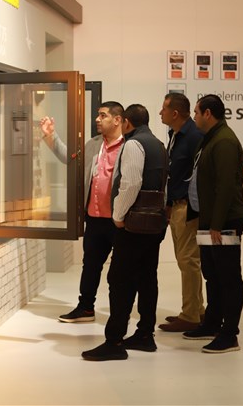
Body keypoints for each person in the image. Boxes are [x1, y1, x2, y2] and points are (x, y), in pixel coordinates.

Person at [82, 104, 168, 361]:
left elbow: (130, 184)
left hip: (133, 226)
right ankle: (145, 334)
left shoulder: (133, 144)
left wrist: (118, 216)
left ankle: (114, 341)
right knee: (147, 279)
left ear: (127, 122)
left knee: (119, 281)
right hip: (153, 224)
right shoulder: (158, 145)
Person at [40, 101, 124, 323]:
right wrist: (51, 136)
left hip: (119, 222)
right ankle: (86, 308)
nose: (97, 119)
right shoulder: (94, 144)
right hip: (94, 219)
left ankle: (119, 314)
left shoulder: (129, 146)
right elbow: (70, 159)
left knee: (120, 271)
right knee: (91, 266)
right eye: (98, 115)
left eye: (103, 115)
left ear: (117, 120)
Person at [183, 94, 243, 353]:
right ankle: (212, 323)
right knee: (212, 273)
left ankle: (229, 334)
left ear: (208, 114)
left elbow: (226, 187)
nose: (194, 117)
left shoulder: (224, 141)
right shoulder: (210, 138)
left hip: (224, 221)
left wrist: (217, 225)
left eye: (197, 112)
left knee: (228, 276)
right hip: (209, 219)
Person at [157, 93, 205, 332]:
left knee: (188, 261)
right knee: (186, 260)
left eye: (164, 109)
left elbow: (201, 173)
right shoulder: (175, 135)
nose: (160, 113)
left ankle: (191, 315)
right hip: (177, 205)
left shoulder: (194, 136)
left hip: (187, 207)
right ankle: (197, 310)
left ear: (175, 113)